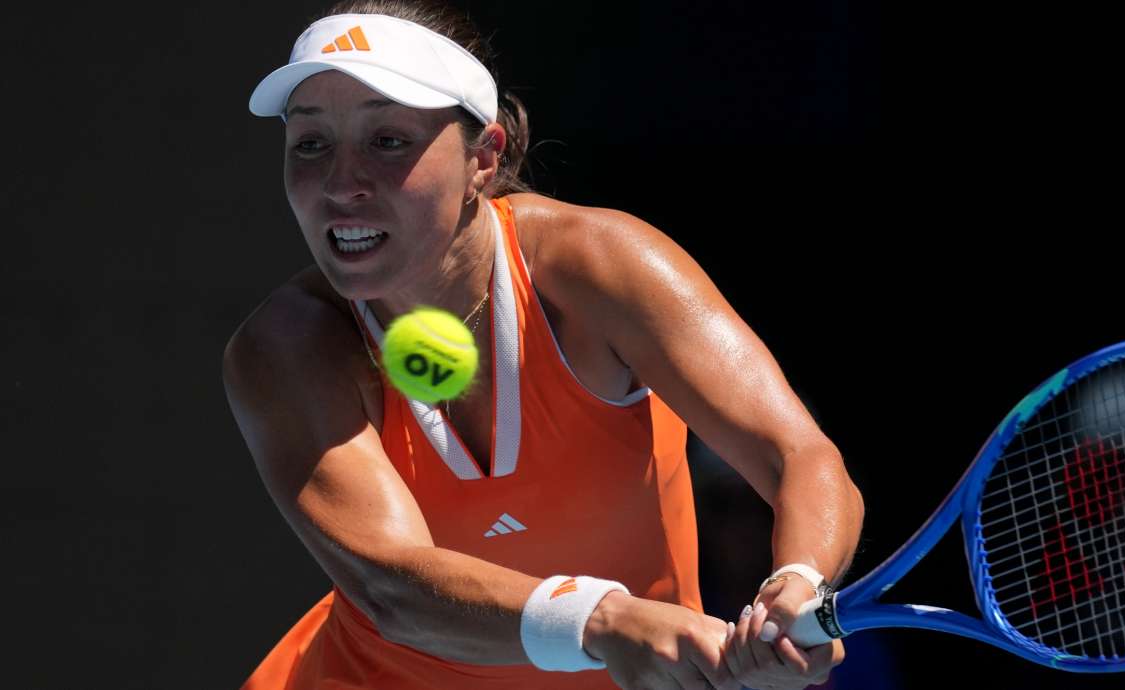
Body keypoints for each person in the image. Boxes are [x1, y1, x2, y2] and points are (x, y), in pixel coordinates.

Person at [224, 1, 864, 688]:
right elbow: (393, 587)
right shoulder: (288, 345)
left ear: (483, 155)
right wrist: (603, 621)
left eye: (389, 141)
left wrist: (799, 584)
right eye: (311, 144)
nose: (340, 185)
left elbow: (798, 454)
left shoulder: (600, 268)